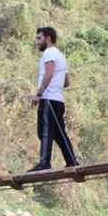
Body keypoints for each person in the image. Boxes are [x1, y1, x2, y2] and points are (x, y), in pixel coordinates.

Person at [27, 26, 80, 171]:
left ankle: (44, 162)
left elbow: (49, 73)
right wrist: (56, 86)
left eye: (39, 38)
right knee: (58, 132)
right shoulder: (61, 57)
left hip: (48, 99)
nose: (37, 42)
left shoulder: (49, 53)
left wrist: (39, 94)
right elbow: (67, 82)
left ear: (48, 38)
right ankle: (71, 160)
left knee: (44, 132)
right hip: (59, 100)